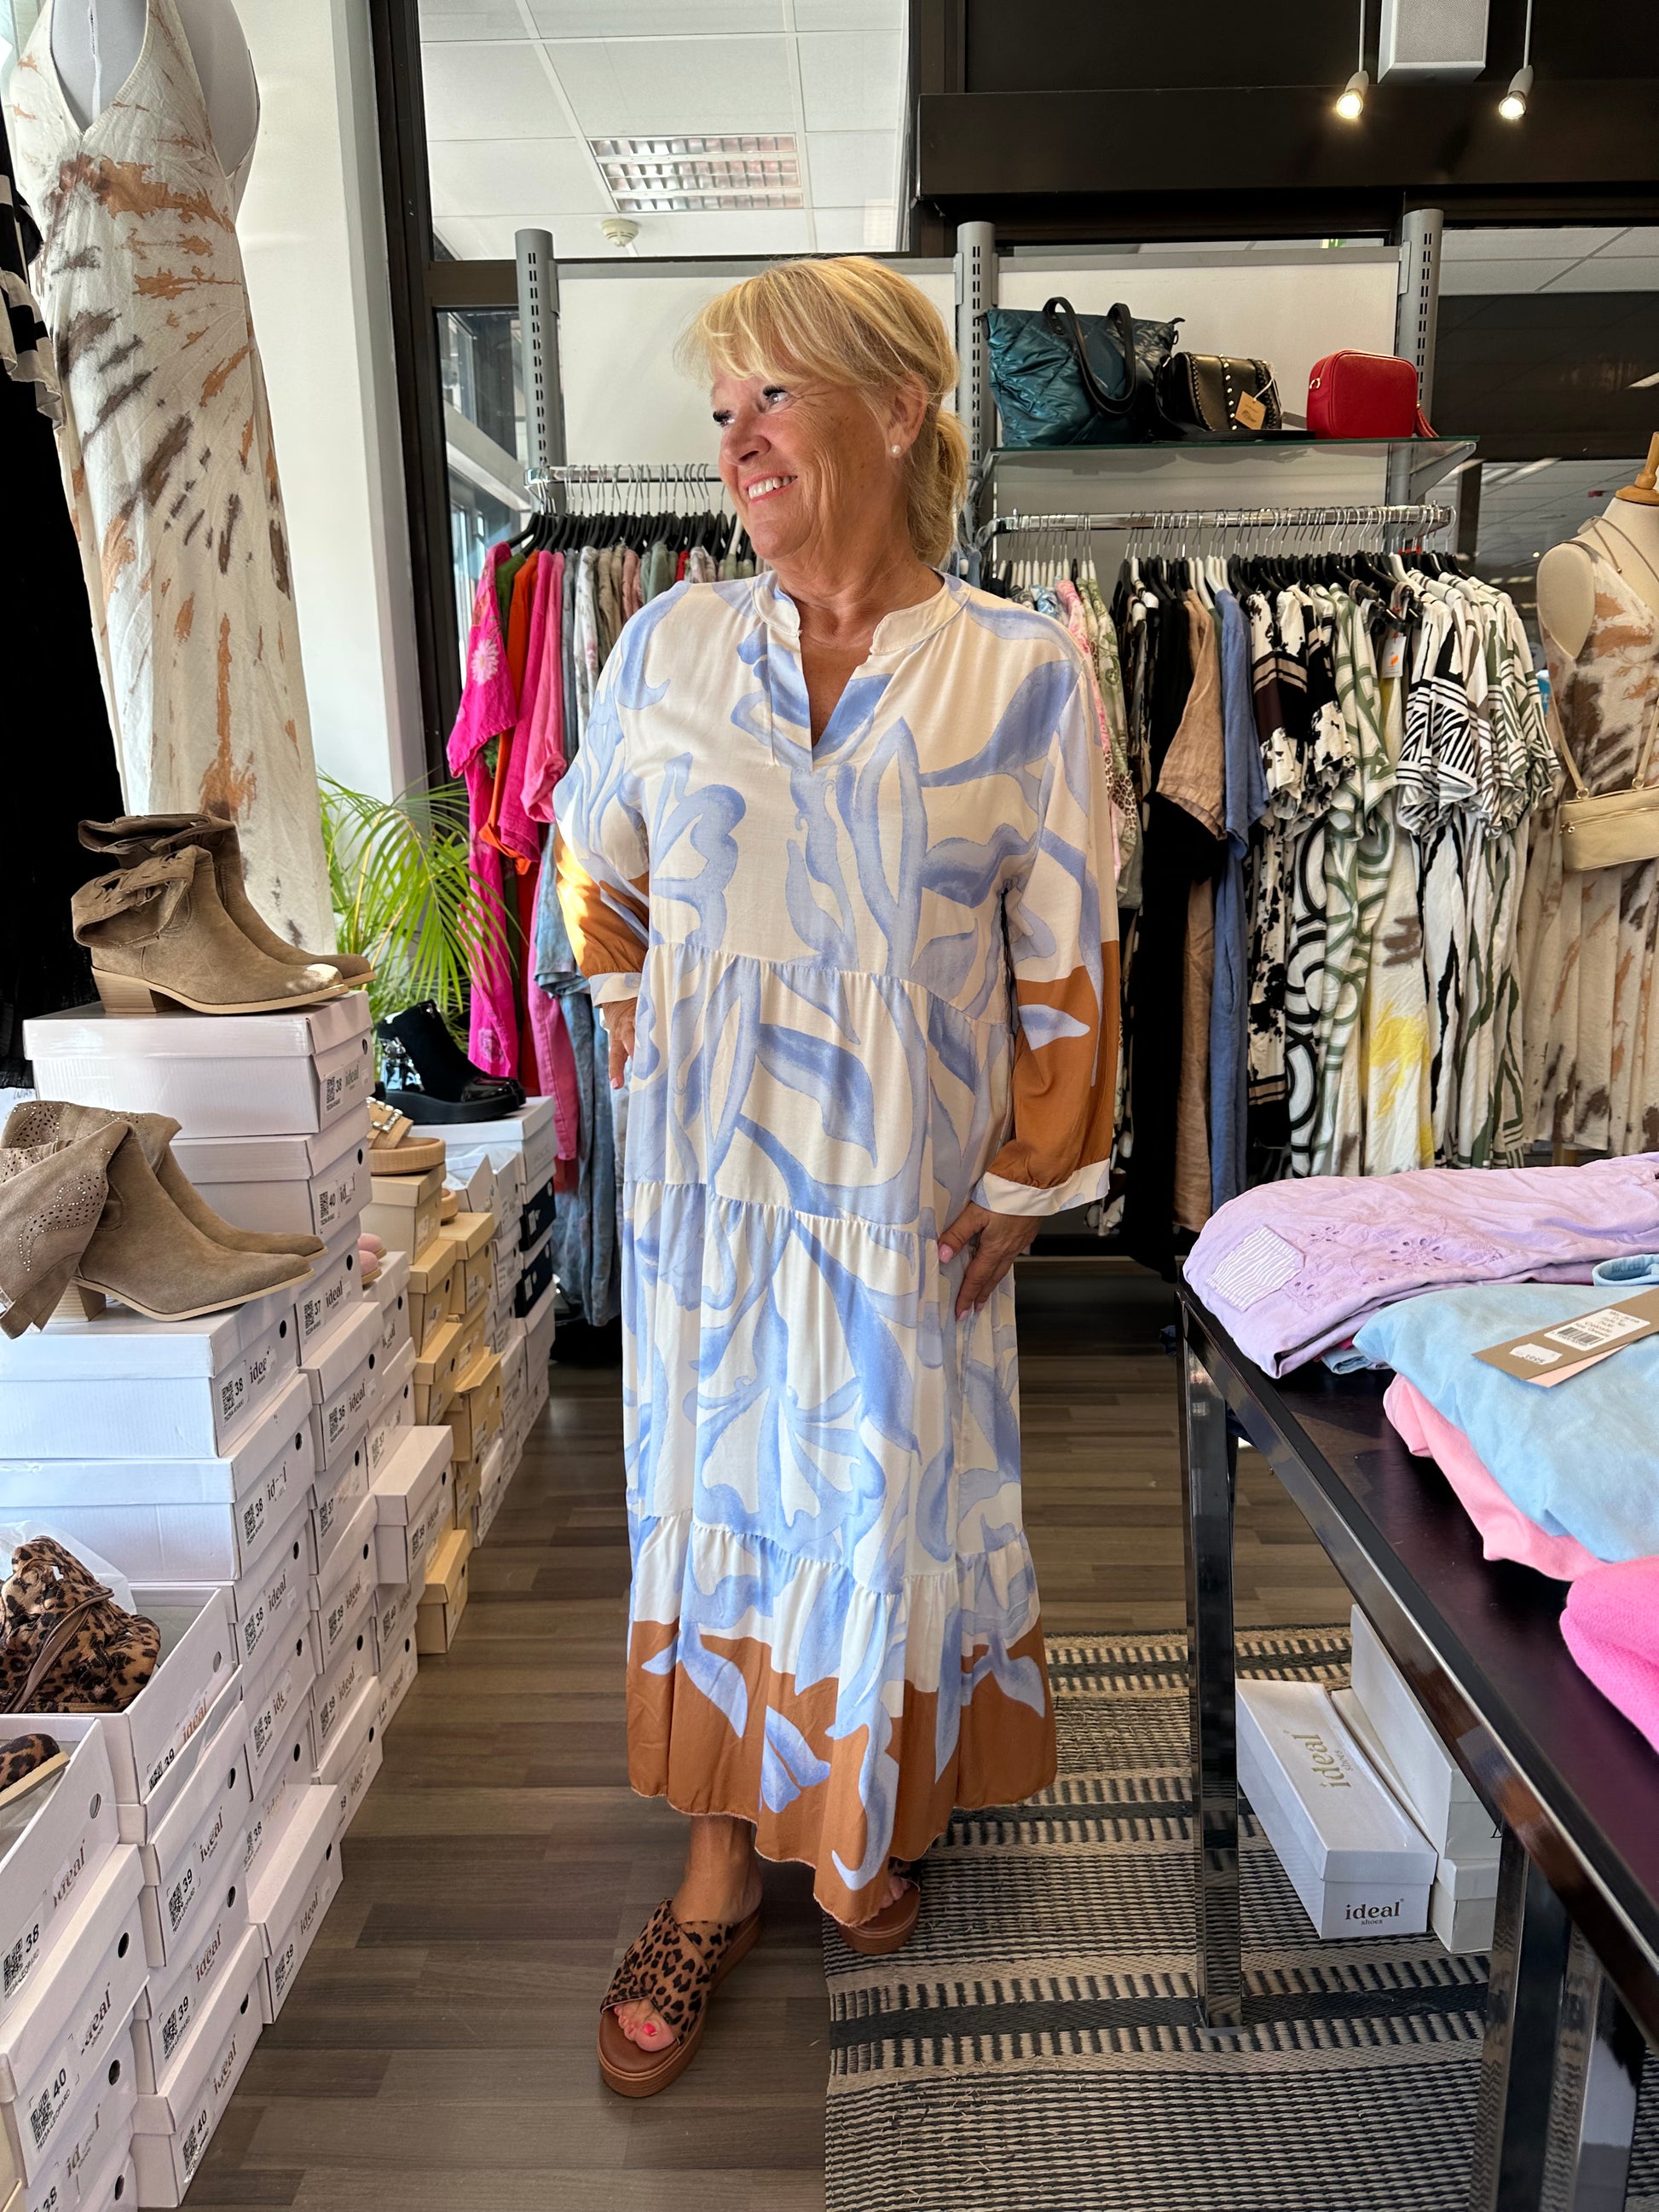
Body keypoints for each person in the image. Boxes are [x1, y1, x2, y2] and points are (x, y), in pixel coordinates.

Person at [553, 256, 1120, 2099]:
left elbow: (1068, 944)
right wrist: (636, 1029)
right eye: (722, 411)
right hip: (711, 1199)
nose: (737, 440)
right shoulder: (668, 646)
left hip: (898, 1200)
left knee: (877, 1513)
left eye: (772, 397)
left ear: (895, 405)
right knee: (718, 1503)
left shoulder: (1019, 672)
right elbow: (591, 859)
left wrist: (1028, 1177)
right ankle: (718, 1865)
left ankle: (856, 1816)